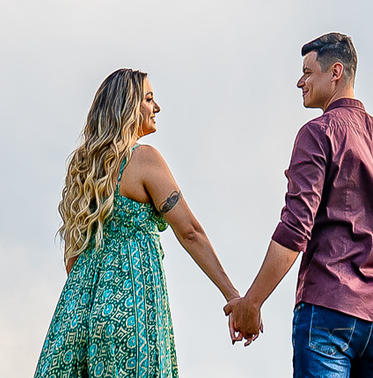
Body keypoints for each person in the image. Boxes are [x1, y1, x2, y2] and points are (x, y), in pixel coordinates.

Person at [225, 33, 373, 377]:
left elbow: (295, 227)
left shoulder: (318, 133)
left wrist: (251, 303)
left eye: (307, 72)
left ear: (335, 72)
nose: (300, 82)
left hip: (328, 310)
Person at [34, 67, 240, 378]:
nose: (157, 107)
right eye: (148, 99)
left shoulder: (82, 170)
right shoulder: (143, 159)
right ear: (128, 106)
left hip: (76, 316)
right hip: (131, 311)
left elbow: (72, 259)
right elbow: (189, 232)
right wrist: (232, 295)